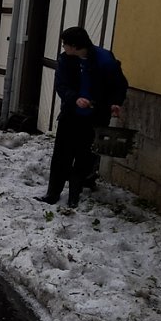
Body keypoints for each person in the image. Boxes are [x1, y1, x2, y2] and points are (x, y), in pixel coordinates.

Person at [36, 26, 128, 208]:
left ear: (76, 46)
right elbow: (61, 85)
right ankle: (52, 193)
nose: (63, 48)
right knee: (62, 154)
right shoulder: (66, 60)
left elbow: (119, 84)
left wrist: (115, 102)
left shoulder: (104, 60)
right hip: (71, 114)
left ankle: (74, 196)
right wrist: (75, 99)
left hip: (95, 116)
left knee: (84, 156)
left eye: (66, 45)